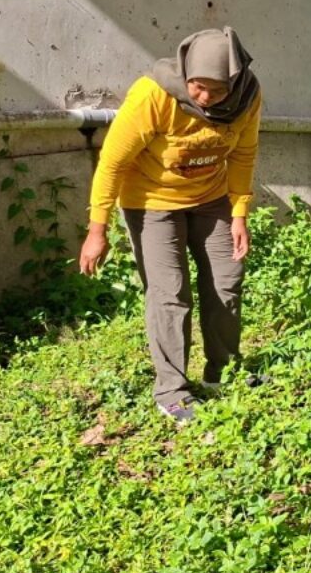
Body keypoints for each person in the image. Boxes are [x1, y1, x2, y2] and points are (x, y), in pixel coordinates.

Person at [79, 27, 262, 423]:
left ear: (235, 82)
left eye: (217, 90)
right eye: (198, 86)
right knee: (170, 293)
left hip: (211, 197)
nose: (205, 98)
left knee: (227, 279)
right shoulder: (154, 95)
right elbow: (112, 163)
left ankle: (221, 372)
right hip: (151, 202)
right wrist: (97, 229)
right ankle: (172, 391)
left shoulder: (247, 97)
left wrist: (239, 213)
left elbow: (243, 154)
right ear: (185, 73)